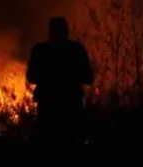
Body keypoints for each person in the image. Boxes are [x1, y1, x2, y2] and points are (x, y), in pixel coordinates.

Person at [25, 16, 93, 145]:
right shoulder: (76, 50)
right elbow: (88, 77)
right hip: (70, 108)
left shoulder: (40, 50)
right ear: (66, 31)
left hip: (49, 109)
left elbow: (31, 77)